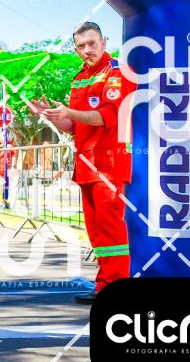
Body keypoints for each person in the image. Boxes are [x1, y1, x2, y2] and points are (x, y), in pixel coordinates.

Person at [30, 22, 135, 304]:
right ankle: (104, 284)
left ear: (103, 42)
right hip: (86, 164)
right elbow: (74, 127)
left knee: (111, 229)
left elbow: (106, 116)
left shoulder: (117, 72)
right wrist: (51, 115)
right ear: (75, 49)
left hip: (109, 163)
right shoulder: (79, 79)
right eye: (81, 46)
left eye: (92, 43)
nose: (87, 50)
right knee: (97, 232)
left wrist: (70, 113)